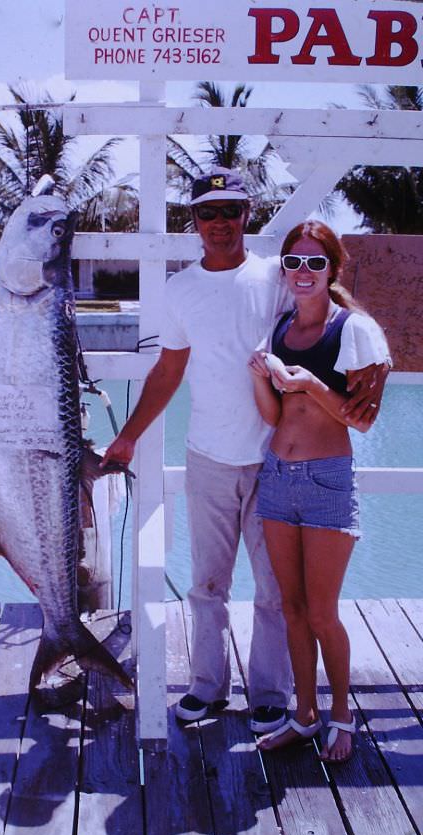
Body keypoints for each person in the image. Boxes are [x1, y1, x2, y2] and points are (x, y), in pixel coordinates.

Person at [102, 167, 388, 733]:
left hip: (275, 461)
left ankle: (271, 694)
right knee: (207, 584)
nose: (220, 222)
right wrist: (129, 434)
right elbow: (168, 368)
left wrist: (379, 357)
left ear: (246, 215)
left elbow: (337, 306)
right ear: (194, 221)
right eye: (208, 212)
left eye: (230, 210)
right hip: (208, 454)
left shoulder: (278, 277)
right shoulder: (179, 289)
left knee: (274, 592)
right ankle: (207, 687)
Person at [248, 221, 389, 761]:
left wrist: (309, 384)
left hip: (328, 479)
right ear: (284, 271)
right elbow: (273, 415)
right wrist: (263, 378)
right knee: (292, 607)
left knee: (324, 612)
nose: (303, 273)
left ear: (333, 269)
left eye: (314, 263)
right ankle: (304, 715)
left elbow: (362, 423)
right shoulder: (280, 328)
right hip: (277, 479)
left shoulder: (351, 330)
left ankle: (341, 716)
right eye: (294, 263)